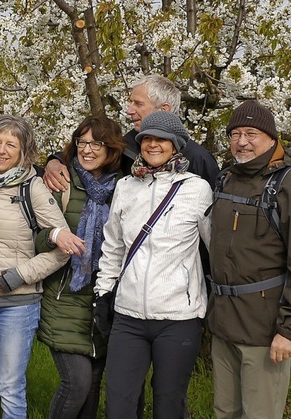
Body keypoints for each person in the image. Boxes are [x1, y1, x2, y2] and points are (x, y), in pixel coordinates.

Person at [94, 111, 212, 418]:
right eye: (147, 138)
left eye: (161, 139)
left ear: (175, 145)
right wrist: (104, 293)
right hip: (128, 316)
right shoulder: (126, 187)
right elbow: (114, 246)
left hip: (178, 318)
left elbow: (215, 247)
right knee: (118, 407)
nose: (153, 145)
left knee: (168, 407)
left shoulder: (196, 189)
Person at [0, 114, 77, 418]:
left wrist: (19, 275)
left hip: (17, 304)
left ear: (24, 152)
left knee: (10, 389)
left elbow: (62, 250)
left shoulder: (33, 189)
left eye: (10, 144)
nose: (1, 150)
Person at [36, 115, 126, 419]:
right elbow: (32, 238)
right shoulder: (59, 182)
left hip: (103, 303)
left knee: (92, 387)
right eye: (82, 142)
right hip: (64, 300)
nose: (87, 150)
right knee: (76, 383)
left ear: (111, 148)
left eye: (96, 143)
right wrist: (54, 237)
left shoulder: (124, 188)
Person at [206, 100, 291, 418]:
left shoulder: (284, 185)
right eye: (236, 133)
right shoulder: (226, 179)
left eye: (251, 133)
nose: (242, 141)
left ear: (271, 137)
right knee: (225, 412)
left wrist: (287, 330)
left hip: (264, 331)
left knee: (259, 414)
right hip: (223, 324)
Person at [43, 74, 219, 191]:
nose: (129, 110)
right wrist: (55, 161)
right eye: (130, 103)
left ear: (163, 110)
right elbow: (91, 151)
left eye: (138, 104)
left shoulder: (198, 159)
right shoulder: (127, 147)